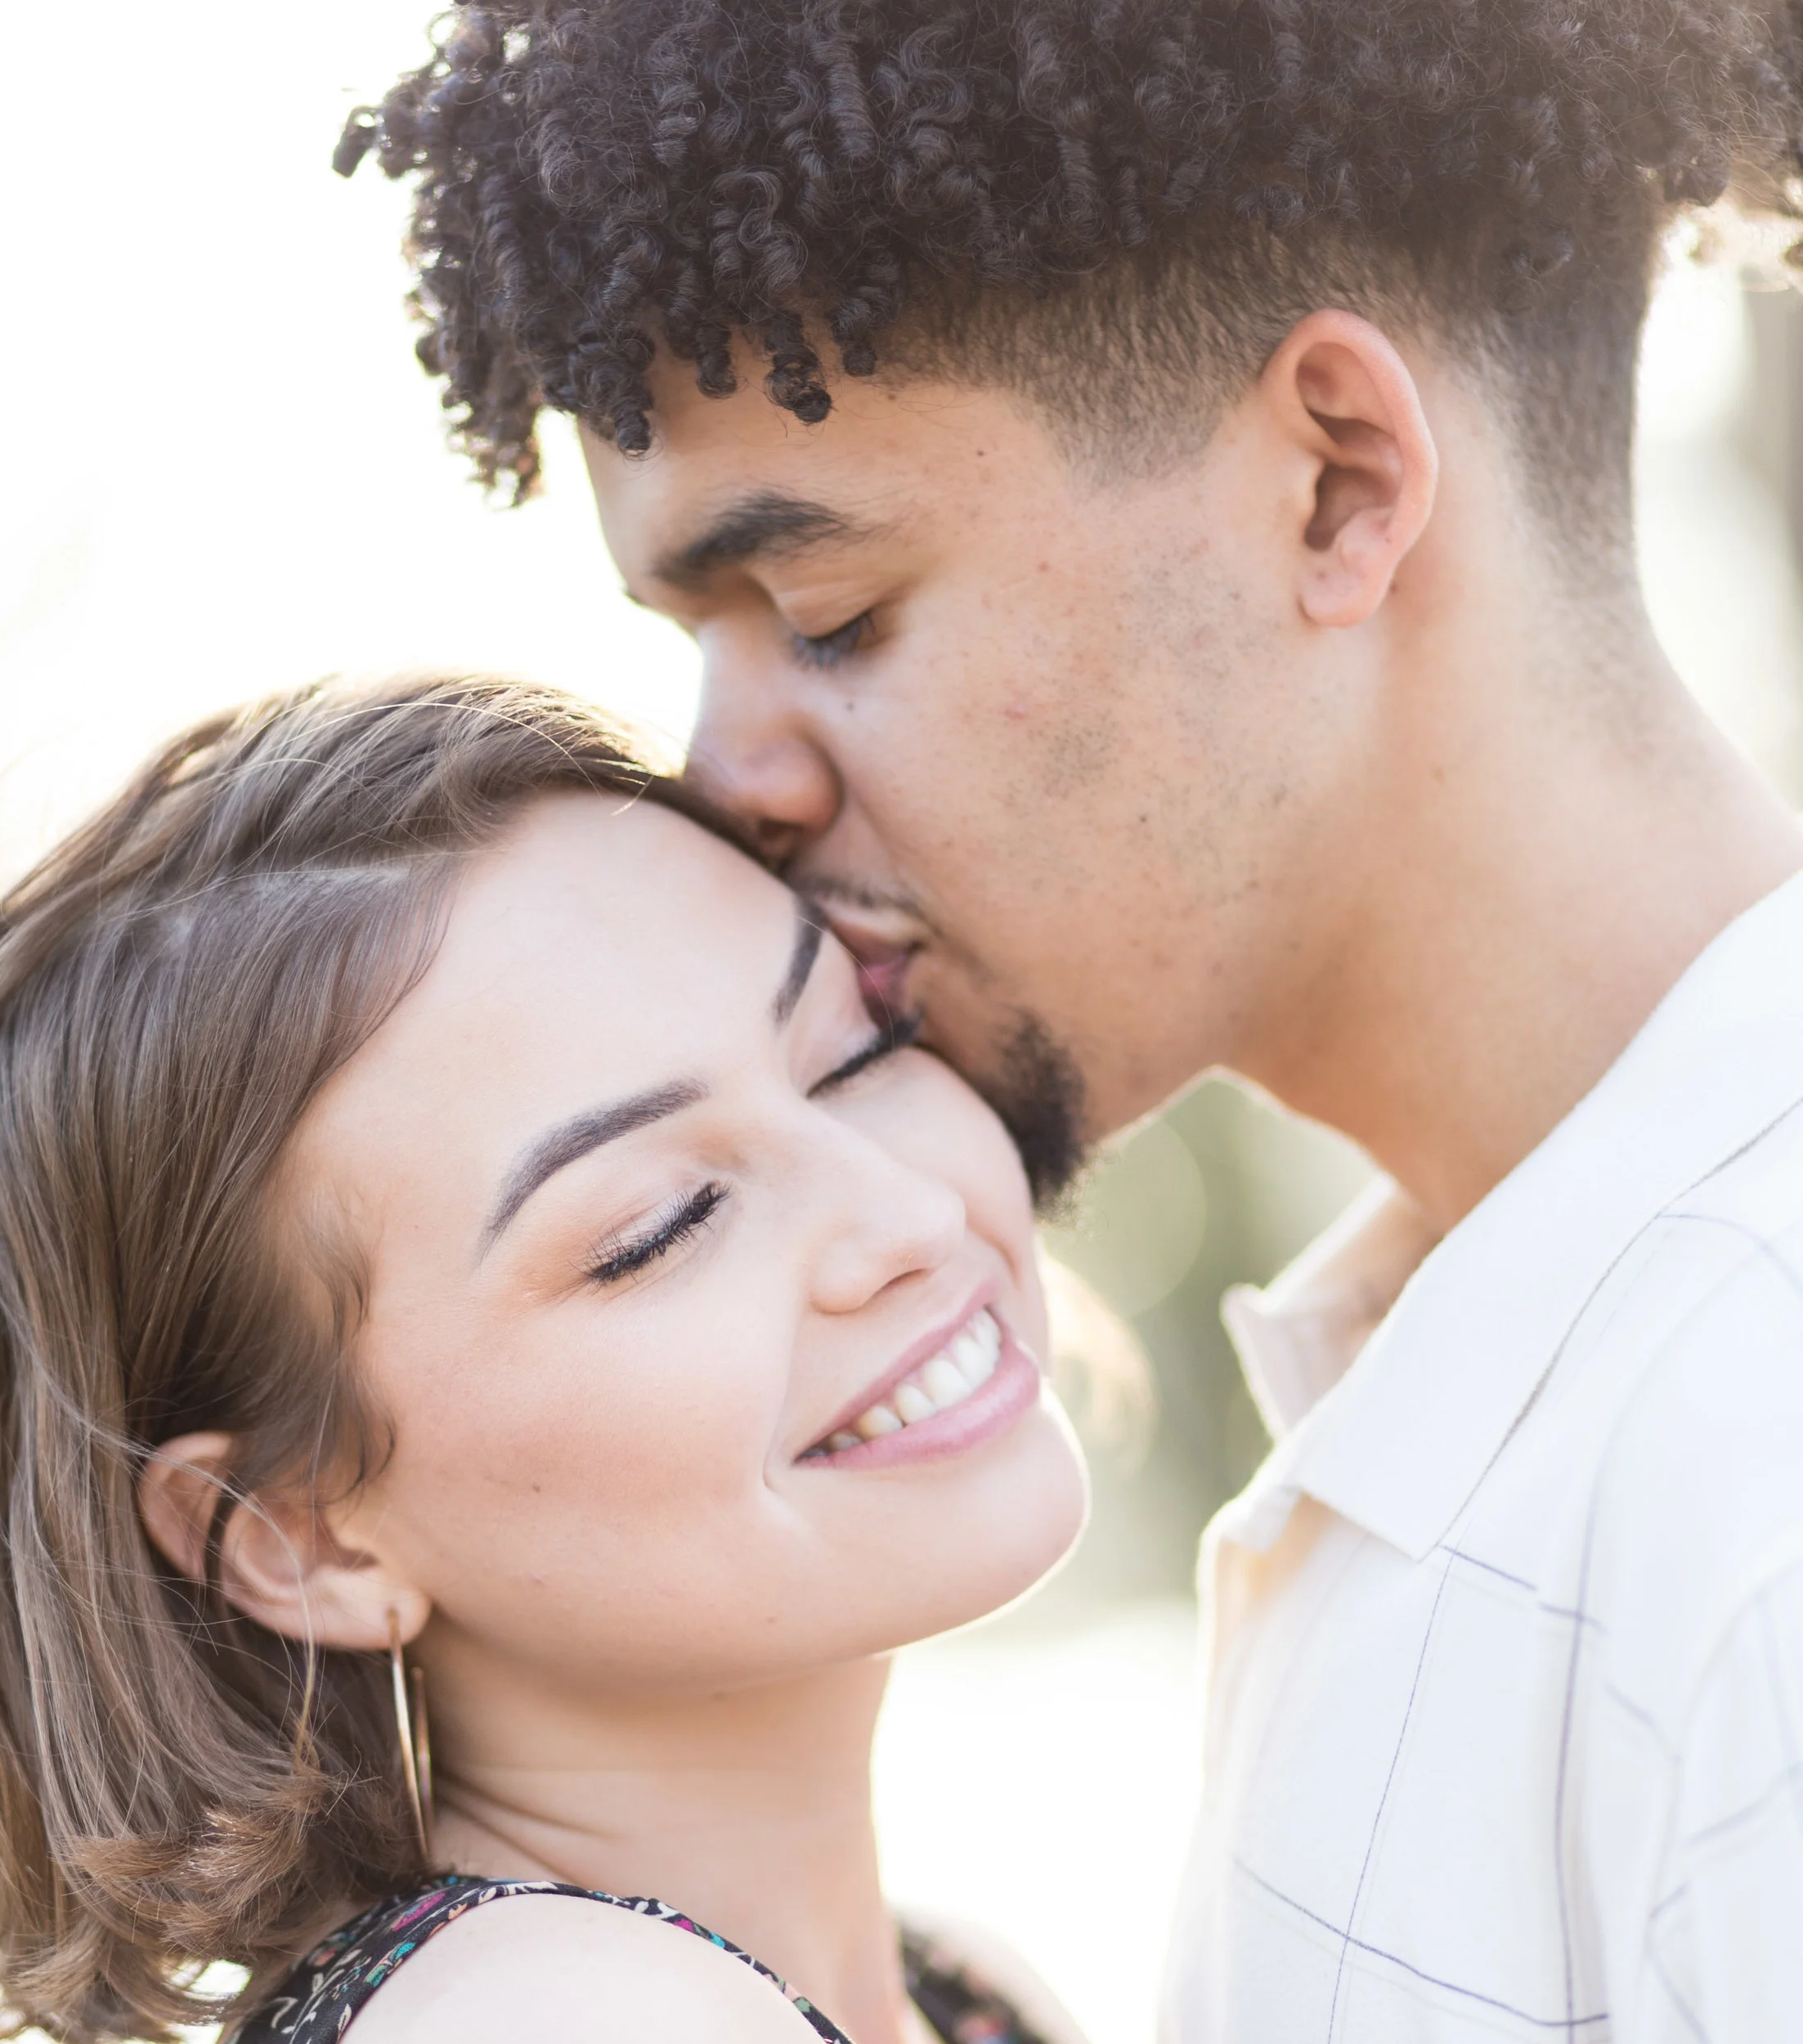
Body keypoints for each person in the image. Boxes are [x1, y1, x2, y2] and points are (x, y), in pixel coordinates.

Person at [341, 4, 1803, 2037]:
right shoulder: (1477, 1391)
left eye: (826, 612)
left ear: (1332, 481)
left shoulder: (1751, 1512)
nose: (726, 777)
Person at [0, 678, 1093, 2044]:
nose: (911, 1212)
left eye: (857, 1051)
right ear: (297, 1536)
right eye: (659, 1227)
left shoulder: (946, 1993)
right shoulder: (566, 2022)